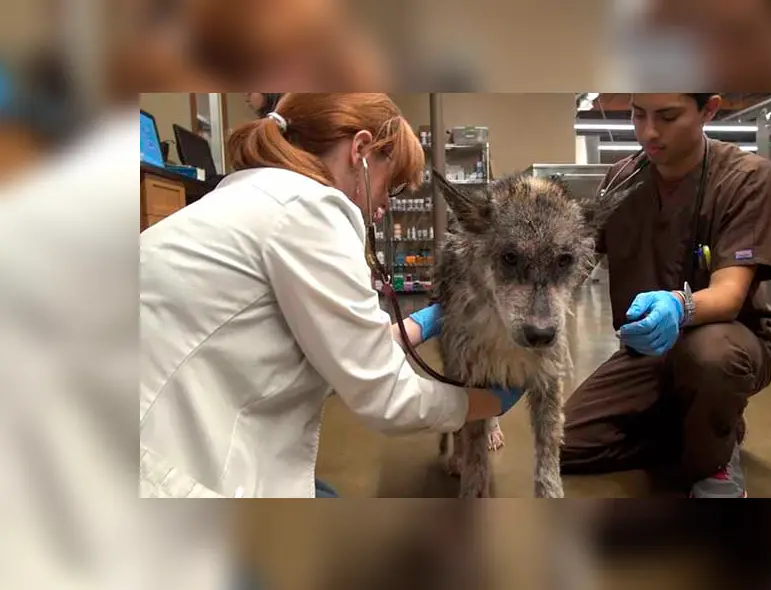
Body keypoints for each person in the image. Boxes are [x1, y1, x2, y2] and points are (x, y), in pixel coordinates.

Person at [140, 93, 524, 498]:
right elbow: (386, 398)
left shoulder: (256, 194)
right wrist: (486, 404)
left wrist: (417, 324)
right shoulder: (310, 211)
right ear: (359, 151)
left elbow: (340, 351)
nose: (382, 209)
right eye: (389, 186)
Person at [560, 93, 771, 498]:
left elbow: (727, 296)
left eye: (668, 117)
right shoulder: (621, 179)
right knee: (561, 444)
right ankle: (704, 428)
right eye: (638, 115)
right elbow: (577, 265)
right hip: (647, 354)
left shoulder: (746, 178)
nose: (648, 132)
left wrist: (678, 305)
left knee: (708, 355)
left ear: (709, 109)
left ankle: (714, 461)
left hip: (728, 344)